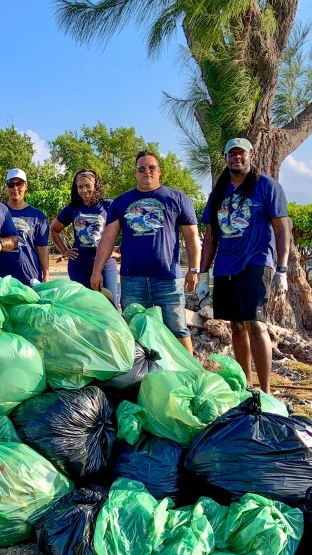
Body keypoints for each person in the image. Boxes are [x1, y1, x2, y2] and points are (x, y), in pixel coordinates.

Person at [196, 137, 290, 394]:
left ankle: (267, 389)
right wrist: (203, 273)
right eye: (231, 154)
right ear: (225, 158)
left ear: (251, 155)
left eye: (241, 153)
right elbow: (210, 236)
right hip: (226, 265)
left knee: (255, 323)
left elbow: (282, 229)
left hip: (257, 261)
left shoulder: (266, 186)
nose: (236, 157)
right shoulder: (219, 191)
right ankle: (246, 386)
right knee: (236, 325)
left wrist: (282, 269)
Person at [90, 151, 201, 352]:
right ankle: (141, 378)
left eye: (151, 167)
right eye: (141, 168)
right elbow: (108, 239)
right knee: (135, 331)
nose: (146, 172)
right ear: (135, 173)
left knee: (178, 330)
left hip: (167, 279)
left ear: (159, 171)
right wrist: (97, 270)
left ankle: (190, 376)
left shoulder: (177, 198)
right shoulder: (121, 202)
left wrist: (194, 269)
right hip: (133, 281)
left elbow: (192, 237)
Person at [51, 168, 119, 306]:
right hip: (79, 265)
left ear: (96, 185)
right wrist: (64, 251)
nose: (84, 190)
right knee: (83, 308)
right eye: (80, 187)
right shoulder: (73, 208)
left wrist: (118, 252)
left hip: (105, 264)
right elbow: (54, 230)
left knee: (110, 306)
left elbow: (128, 226)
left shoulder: (108, 206)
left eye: (88, 186)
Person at [0, 168, 50, 286]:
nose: (15, 188)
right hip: (1, 276)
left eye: (19, 184)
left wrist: (46, 275)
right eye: (11, 184)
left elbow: (42, 247)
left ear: (26, 186)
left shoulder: (38, 216)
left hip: (29, 277)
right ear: (6, 187)